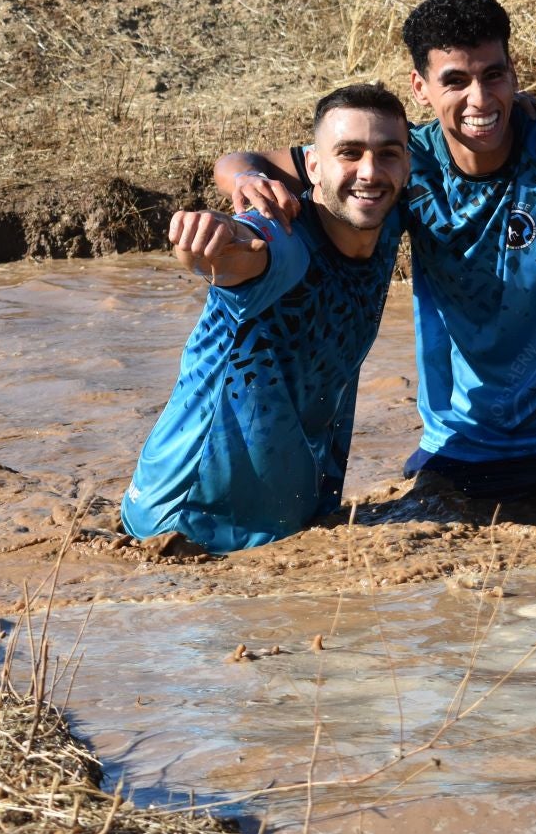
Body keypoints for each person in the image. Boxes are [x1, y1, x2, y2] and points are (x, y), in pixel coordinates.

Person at [214, 0, 536, 513]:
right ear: (421, 88)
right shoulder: (404, 161)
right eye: (455, 80)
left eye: (492, 75)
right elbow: (242, 159)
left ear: (513, 74)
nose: (479, 99)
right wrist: (246, 179)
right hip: (466, 449)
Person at [120, 83, 410, 552]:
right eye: (349, 154)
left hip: (290, 525)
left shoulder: (383, 216)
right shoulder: (284, 242)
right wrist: (210, 235)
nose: (369, 173)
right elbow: (239, 247)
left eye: (387, 155)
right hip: (183, 530)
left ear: (407, 162)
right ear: (312, 166)